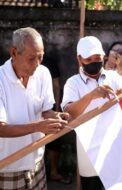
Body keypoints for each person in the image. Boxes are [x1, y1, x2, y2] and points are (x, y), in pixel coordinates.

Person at [0, 27, 69, 189]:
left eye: (41, 57)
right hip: (7, 167)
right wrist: (38, 127)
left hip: (37, 163)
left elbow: (45, 110)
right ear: (14, 53)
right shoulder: (1, 80)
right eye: (32, 58)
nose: (37, 64)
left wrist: (55, 116)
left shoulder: (43, 73)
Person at [61, 36, 122, 190]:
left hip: (115, 148)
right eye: (89, 58)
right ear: (79, 59)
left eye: (97, 57)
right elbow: (69, 114)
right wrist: (92, 95)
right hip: (89, 153)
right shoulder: (73, 83)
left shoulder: (113, 77)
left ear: (103, 56)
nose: (94, 61)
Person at [42, 53, 72, 184]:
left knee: (54, 140)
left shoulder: (49, 63)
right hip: (32, 110)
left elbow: (56, 85)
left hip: (50, 107)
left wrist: (57, 108)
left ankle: (54, 172)